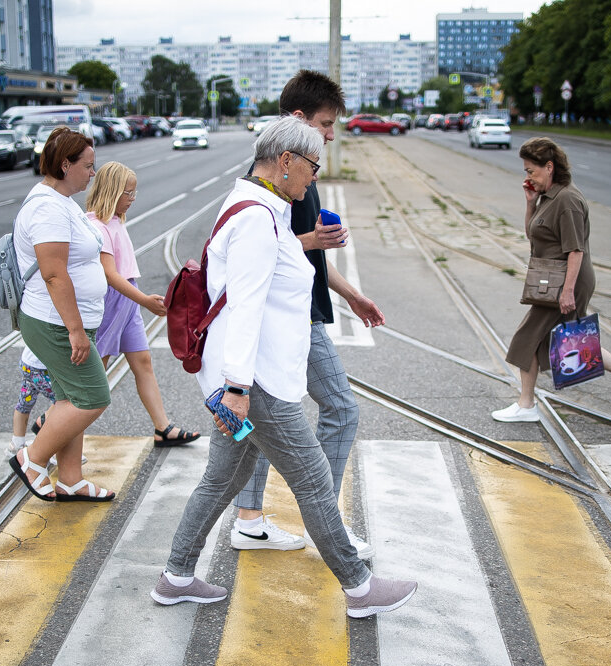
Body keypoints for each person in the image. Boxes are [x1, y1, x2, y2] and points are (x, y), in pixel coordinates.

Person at [150, 116, 417, 618]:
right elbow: (247, 304)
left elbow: (270, 264)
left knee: (222, 481)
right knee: (314, 481)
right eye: (313, 166)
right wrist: (237, 388)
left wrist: (310, 244)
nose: (314, 176)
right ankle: (359, 588)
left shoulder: (264, 209)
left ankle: (176, 577)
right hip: (255, 385)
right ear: (286, 160)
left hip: (246, 381)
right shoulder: (256, 215)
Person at [229, 69, 386, 557]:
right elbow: (265, 249)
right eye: (325, 123)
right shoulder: (279, 175)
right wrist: (314, 241)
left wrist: (349, 293)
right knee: (340, 409)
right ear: (297, 120)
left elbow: (307, 255)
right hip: (291, 317)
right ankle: (326, 527)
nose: (332, 134)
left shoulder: (302, 168)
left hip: (306, 309)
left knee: (262, 423)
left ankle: (250, 520)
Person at [492, 137, 611, 424]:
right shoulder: (548, 197)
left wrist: (567, 292)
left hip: (567, 281)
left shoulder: (567, 200)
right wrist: (530, 203)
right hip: (553, 281)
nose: (528, 177)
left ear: (550, 167)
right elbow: (533, 234)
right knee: (571, 342)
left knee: (528, 338)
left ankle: (526, 404)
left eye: (531, 171)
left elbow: (576, 249)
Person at [7, 126, 115, 503]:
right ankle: (32, 459)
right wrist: (75, 330)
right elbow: (54, 273)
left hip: (72, 319)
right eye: (87, 166)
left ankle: (70, 479)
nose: (92, 174)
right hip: (55, 322)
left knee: (69, 398)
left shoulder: (62, 201)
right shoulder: (47, 208)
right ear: (65, 164)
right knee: (92, 397)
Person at [83, 161, 200, 448]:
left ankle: (163, 427)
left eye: (134, 193)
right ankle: (54, 422)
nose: (133, 199)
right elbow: (110, 275)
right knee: (97, 370)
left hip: (129, 299)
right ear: (111, 192)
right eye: (128, 193)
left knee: (143, 361)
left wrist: (139, 299)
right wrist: (145, 301)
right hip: (114, 301)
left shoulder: (115, 221)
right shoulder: (96, 226)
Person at [6, 345, 55, 459]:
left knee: (24, 402)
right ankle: (54, 447)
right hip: (43, 368)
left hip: (28, 364)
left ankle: (16, 443)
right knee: (65, 402)